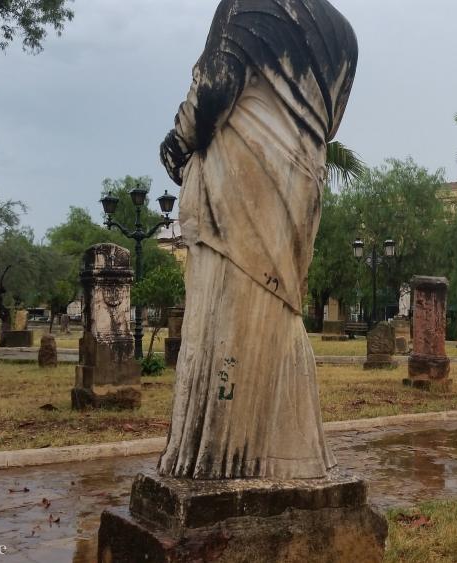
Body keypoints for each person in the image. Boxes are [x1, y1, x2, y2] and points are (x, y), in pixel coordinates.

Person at [157, 0, 358, 480]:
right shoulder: (344, 33)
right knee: (279, 311)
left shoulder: (247, 4)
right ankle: (291, 454)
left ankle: (220, 459)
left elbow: (213, 90)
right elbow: (330, 124)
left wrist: (176, 143)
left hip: (240, 181)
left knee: (225, 311)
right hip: (300, 184)